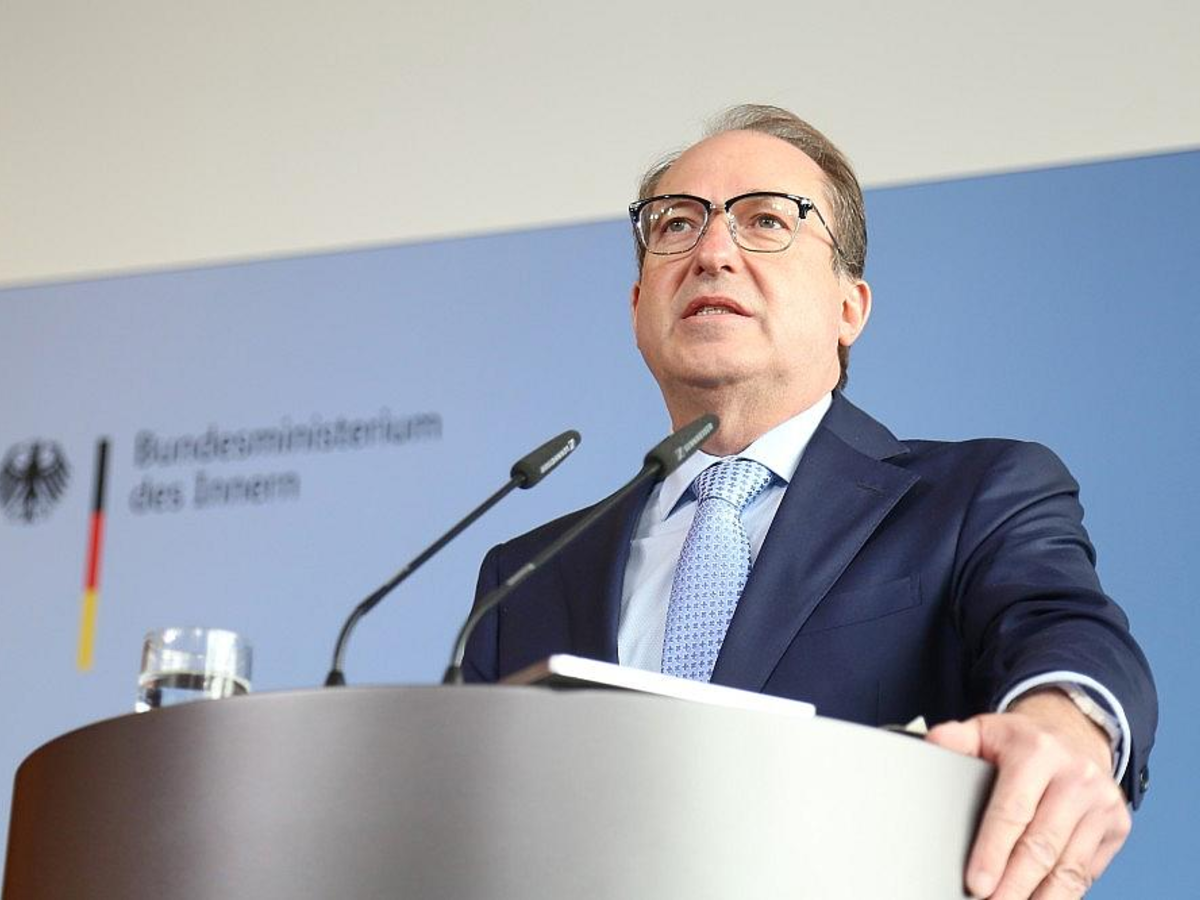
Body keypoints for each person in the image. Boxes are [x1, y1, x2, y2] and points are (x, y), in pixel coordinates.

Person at [465, 105, 1157, 899]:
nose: (712, 252)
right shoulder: (523, 579)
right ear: (636, 306)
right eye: (677, 224)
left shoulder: (979, 495)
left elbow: (1062, 627)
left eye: (766, 220)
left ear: (848, 308)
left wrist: (1065, 724)